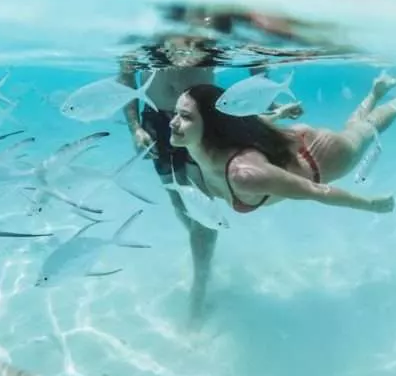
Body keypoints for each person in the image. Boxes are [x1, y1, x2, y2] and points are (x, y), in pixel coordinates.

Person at [118, 33, 297, 323]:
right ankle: (201, 248)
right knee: (177, 199)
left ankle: (198, 290)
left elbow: (256, 59)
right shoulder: (147, 38)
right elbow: (125, 75)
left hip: (201, 121)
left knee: (203, 211)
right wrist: (134, 127)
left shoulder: (208, 37)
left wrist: (268, 103)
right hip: (156, 121)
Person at [169, 72, 396, 218]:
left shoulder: (244, 175)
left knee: (365, 129)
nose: (172, 123)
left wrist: (370, 204)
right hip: (291, 142)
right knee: (355, 127)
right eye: (176, 113)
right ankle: (375, 92)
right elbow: (243, 125)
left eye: (185, 116)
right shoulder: (201, 149)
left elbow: (315, 191)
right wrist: (280, 113)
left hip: (321, 157)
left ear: (212, 126)